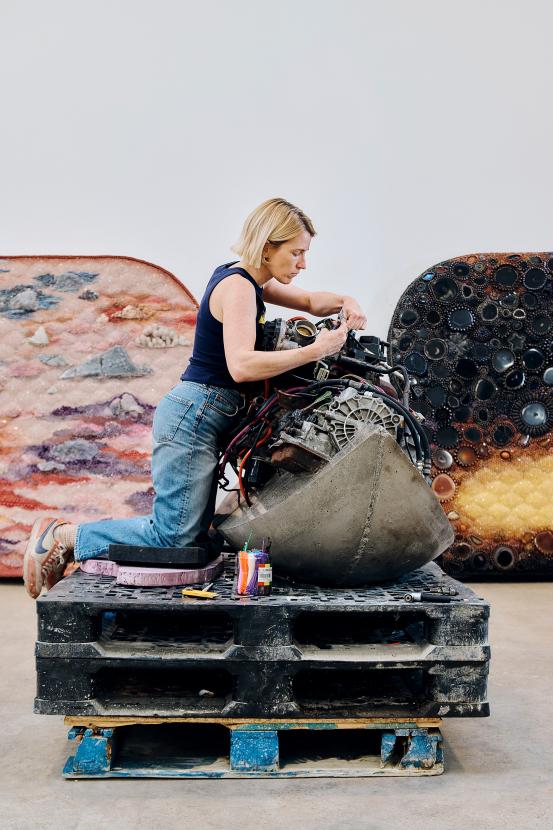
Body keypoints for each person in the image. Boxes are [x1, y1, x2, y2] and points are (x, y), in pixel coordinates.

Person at [23, 197, 367, 598]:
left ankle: (72, 542)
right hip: (194, 415)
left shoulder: (252, 280)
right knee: (172, 536)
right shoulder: (238, 288)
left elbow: (309, 302)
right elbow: (241, 366)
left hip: (202, 413)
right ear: (266, 247)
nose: (303, 264)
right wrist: (314, 351)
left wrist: (347, 301)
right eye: (296, 253)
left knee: (192, 536)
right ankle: (64, 536)